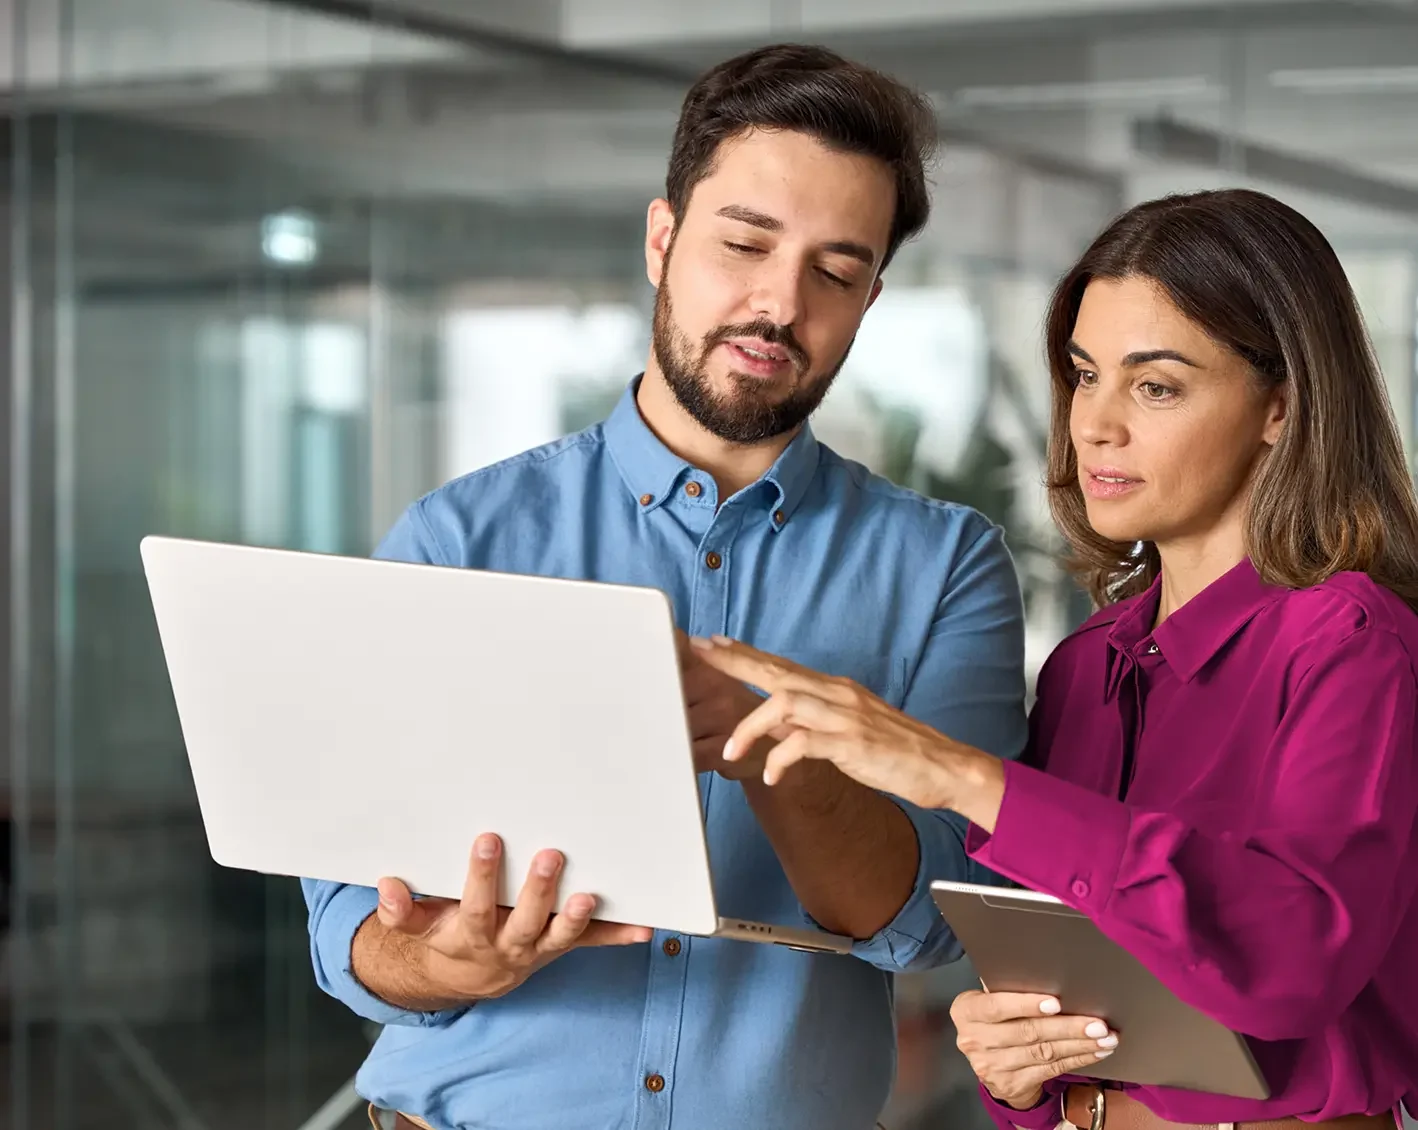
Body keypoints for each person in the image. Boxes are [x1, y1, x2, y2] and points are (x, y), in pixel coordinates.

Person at [301, 44, 1029, 1130]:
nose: (777, 304)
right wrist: (444, 960)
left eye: (833, 272)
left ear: (870, 297)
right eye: (742, 244)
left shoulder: (943, 566)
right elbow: (346, 928)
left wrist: (768, 736)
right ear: (661, 240)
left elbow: (935, 921)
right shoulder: (459, 537)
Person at [695, 188, 1418, 1130]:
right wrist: (1016, 1069)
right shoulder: (1087, 669)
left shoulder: (1358, 645)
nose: (1097, 425)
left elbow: (1289, 964)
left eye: (1156, 386)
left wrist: (965, 778)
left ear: (1280, 406)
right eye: (1085, 375)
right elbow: (1063, 1023)